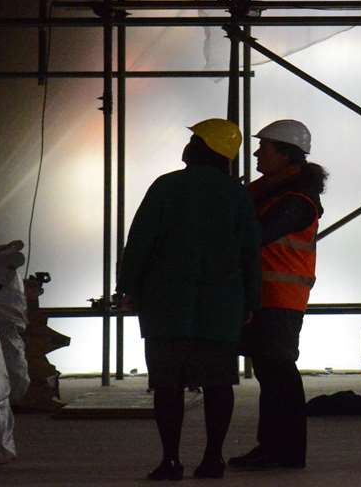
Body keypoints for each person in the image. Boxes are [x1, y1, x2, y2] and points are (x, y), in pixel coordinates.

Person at [118, 118, 261, 481]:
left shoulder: (166, 187)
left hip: (166, 306)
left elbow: (139, 244)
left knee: (167, 387)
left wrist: (129, 289)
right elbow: (250, 254)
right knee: (217, 384)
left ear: (203, 148)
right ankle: (213, 459)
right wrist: (251, 302)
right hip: (221, 307)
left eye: (195, 139)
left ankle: (170, 460)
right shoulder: (237, 195)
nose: (189, 143)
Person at [230, 119, 328, 472]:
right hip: (265, 297)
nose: (257, 152)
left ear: (286, 155)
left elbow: (256, 235)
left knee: (278, 376)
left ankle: (283, 451)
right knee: (272, 376)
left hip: (281, 299)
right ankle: (273, 448)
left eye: (265, 148)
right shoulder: (269, 192)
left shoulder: (297, 201)